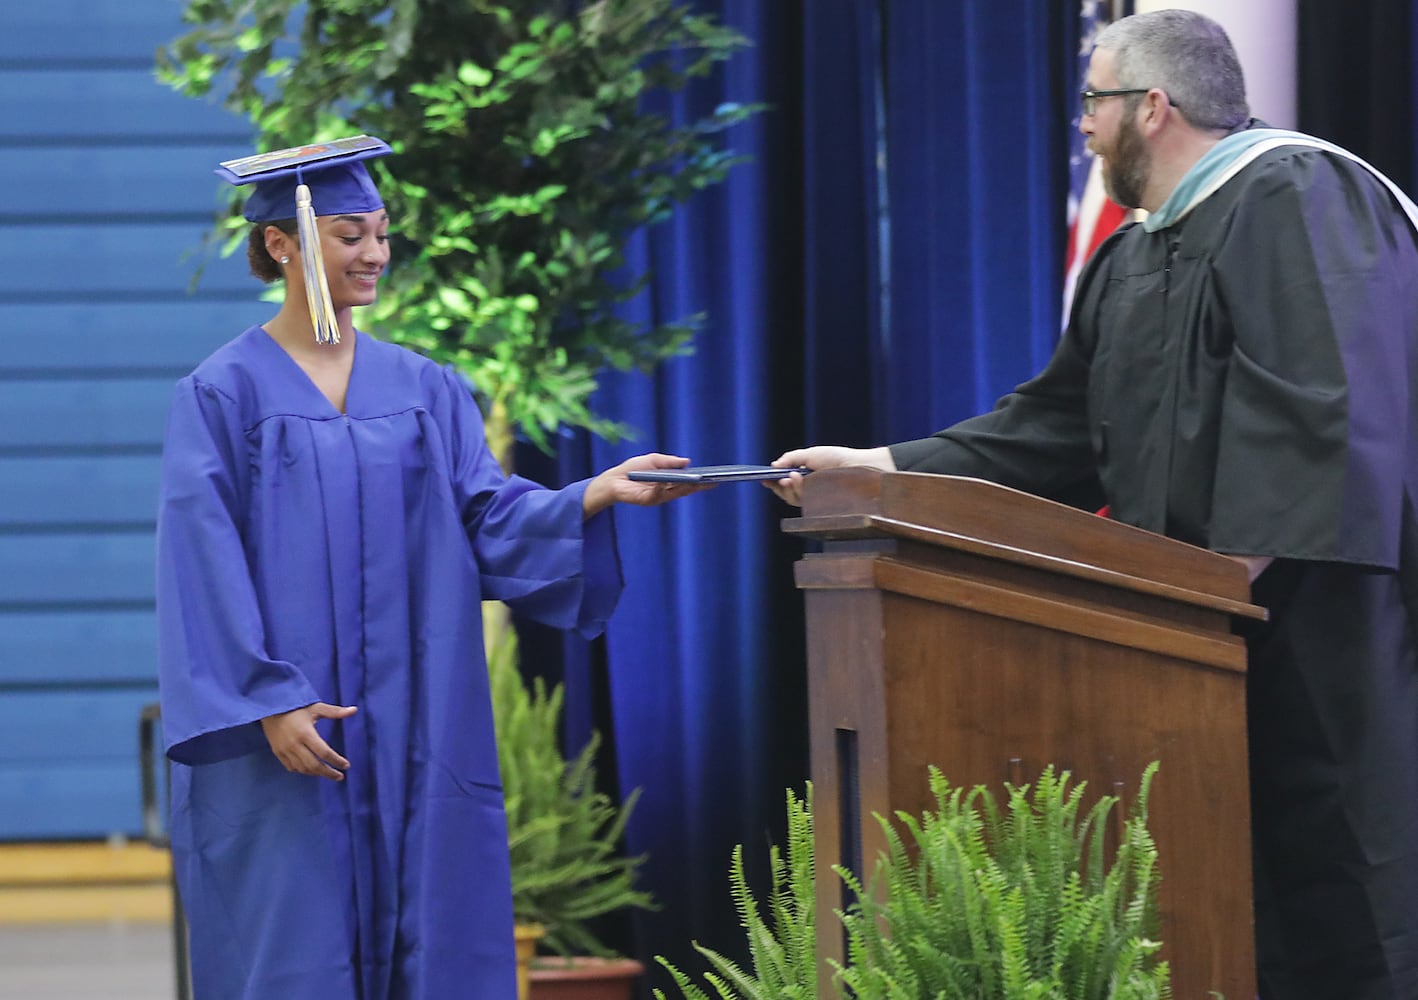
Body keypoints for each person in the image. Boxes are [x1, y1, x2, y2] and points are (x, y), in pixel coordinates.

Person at [767, 10, 1418, 999]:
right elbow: (1057, 429)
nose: (1080, 127)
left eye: (1091, 101)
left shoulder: (1296, 191)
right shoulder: (1133, 255)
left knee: (1342, 895)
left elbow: (1318, 406)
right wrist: (882, 464)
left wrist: (1205, 594)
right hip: (1189, 654)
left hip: (1318, 639)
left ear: (1151, 106)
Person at [155, 136, 703, 1000]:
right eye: (349, 235)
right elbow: (200, 560)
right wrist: (267, 699)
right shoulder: (224, 394)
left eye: (380, 233)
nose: (375, 253)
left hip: (419, 714)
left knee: (435, 930)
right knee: (295, 943)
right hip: (293, 731)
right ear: (281, 243)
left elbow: (484, 515)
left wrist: (590, 496)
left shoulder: (427, 388)